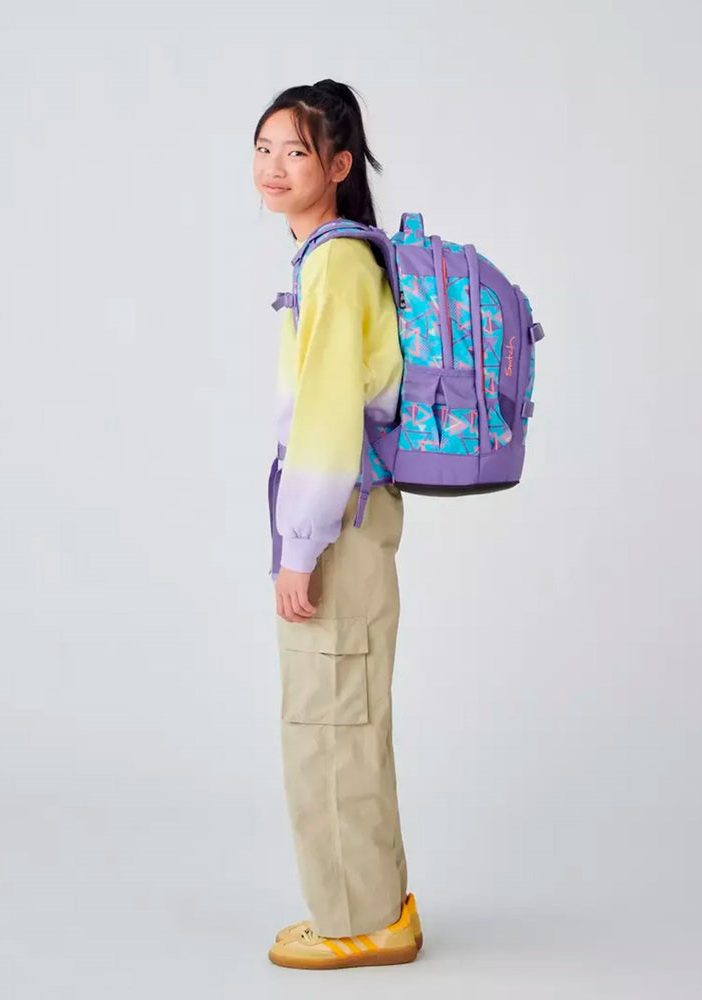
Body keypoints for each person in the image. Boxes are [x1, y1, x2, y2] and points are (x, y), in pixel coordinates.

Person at [252, 79, 423, 970]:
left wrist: (299, 548)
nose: (274, 167)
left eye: (297, 151)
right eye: (265, 149)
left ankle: (361, 921)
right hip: (357, 515)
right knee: (345, 714)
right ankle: (372, 905)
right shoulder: (337, 258)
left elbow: (326, 421)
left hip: (340, 523)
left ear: (340, 166)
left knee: (331, 719)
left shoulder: (334, 264)